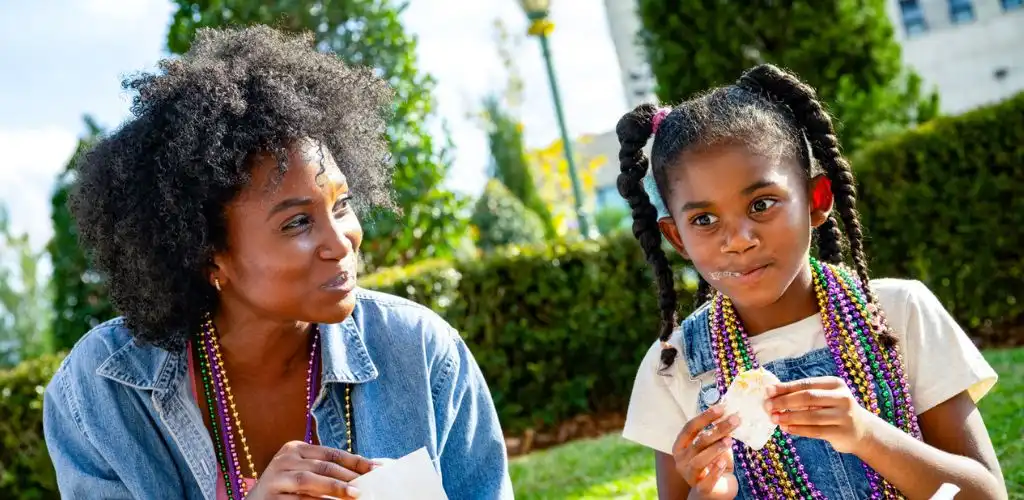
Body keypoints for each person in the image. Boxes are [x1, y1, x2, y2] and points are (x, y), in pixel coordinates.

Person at [42, 25, 512, 500]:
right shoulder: (104, 388)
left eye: (342, 205)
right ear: (207, 254)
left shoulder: (419, 352)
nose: (340, 241)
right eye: (297, 224)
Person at [617, 64, 1007, 499]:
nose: (739, 241)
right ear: (677, 238)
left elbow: (987, 494)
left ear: (817, 200)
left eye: (762, 204)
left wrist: (866, 434)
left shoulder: (899, 313)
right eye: (704, 219)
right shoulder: (674, 366)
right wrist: (706, 493)